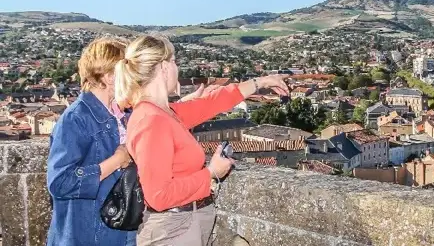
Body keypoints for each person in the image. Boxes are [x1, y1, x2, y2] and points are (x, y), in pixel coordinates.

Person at [114, 35, 289, 246]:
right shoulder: (153, 121)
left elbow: (212, 102)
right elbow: (159, 195)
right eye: (174, 61)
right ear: (163, 68)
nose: (176, 67)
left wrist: (260, 82)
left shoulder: (165, 113)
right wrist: (211, 173)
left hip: (181, 226)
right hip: (174, 230)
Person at [46, 37, 137, 246]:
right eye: (128, 71)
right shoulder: (75, 119)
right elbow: (60, 182)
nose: (134, 78)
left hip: (121, 230)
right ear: (110, 77)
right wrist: (117, 160)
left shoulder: (122, 114)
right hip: (89, 234)